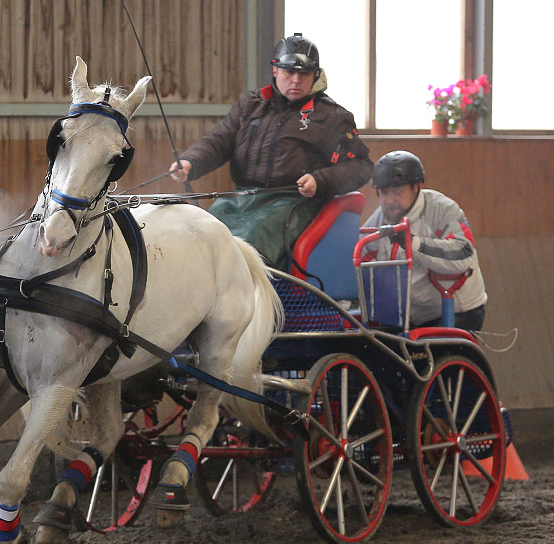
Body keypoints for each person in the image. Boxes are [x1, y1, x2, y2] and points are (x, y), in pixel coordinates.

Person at [168, 33, 372, 270]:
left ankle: (251, 304)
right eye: (288, 72)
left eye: (304, 73)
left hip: (293, 203)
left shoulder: (332, 117)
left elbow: (362, 166)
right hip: (240, 199)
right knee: (204, 230)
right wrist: (190, 162)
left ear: (315, 75)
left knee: (250, 241)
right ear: (275, 70)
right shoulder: (251, 104)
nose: (296, 80)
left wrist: (320, 180)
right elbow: (219, 140)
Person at [361, 150, 487, 330]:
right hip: (409, 315)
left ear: (417, 186)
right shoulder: (378, 219)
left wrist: (414, 244)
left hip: (457, 311)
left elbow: (463, 254)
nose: (389, 200)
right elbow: (360, 259)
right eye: (384, 192)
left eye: (397, 192)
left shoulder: (443, 209)